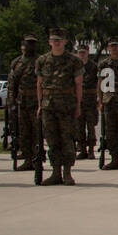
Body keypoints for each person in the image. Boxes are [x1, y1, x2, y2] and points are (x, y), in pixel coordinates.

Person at [36, 29, 84, 185]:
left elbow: (78, 85)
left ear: (65, 42)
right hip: (48, 105)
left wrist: (78, 105)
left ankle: (67, 172)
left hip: (66, 105)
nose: (56, 42)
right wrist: (39, 104)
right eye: (54, 40)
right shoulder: (42, 60)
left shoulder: (73, 61)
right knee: (52, 140)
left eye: (59, 40)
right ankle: (55, 172)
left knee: (67, 139)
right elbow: (39, 84)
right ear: (49, 42)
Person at [7, 35, 41, 171]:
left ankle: (36, 157)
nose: (29, 46)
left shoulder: (40, 61)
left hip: (36, 101)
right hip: (22, 101)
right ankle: (27, 158)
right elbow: (12, 84)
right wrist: (11, 102)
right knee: (24, 132)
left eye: (32, 44)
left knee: (36, 132)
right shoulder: (17, 63)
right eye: (27, 44)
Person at [97, 37, 118, 170]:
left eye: (116, 45)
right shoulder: (103, 64)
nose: (114, 48)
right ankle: (114, 159)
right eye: (112, 46)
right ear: (108, 48)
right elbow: (100, 83)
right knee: (110, 131)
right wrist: (100, 101)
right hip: (109, 101)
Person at [75, 44, 99, 160]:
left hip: (90, 99)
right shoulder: (74, 66)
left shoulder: (93, 67)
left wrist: (98, 98)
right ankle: (82, 149)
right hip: (78, 100)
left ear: (88, 53)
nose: (82, 54)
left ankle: (90, 150)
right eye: (80, 52)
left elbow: (99, 82)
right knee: (79, 126)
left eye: (83, 52)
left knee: (91, 126)